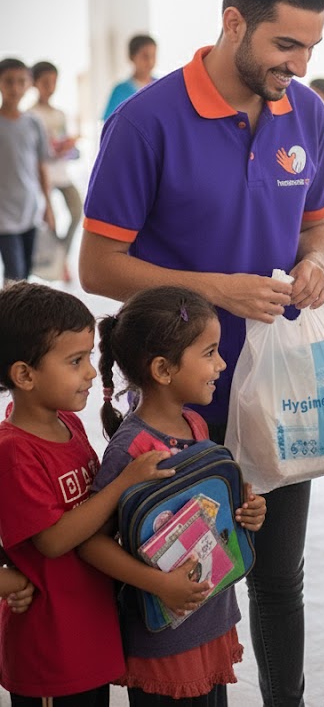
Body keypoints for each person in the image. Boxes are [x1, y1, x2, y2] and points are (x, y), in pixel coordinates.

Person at [78, 0, 324, 705]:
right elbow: (98, 266)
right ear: (233, 22)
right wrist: (215, 289)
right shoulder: (145, 122)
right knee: (184, 584)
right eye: (285, 44)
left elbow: (316, 229)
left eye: (311, 47)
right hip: (177, 402)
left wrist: (315, 263)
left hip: (279, 393)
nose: (299, 64)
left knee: (278, 578)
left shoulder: (306, 113)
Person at [79, 286, 266, 705]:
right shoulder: (131, 449)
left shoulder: (195, 425)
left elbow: (211, 512)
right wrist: (159, 584)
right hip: (164, 641)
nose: (222, 364)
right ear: (163, 369)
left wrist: (248, 512)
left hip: (210, 621)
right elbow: (90, 543)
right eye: (210, 352)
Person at [0, 281, 172, 705]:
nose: (92, 372)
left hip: (89, 631)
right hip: (51, 646)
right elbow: (53, 539)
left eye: (90, 357)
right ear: (25, 375)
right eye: (76, 361)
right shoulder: (15, 450)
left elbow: (93, 518)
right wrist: (125, 482)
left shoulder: (69, 424)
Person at [0, 58, 54, 284]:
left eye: (21, 82)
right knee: (14, 273)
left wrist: (48, 206)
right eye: (8, 81)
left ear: (29, 84)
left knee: (26, 273)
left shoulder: (34, 123)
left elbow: (41, 167)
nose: (15, 88)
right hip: (4, 216)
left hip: (30, 211)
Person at [30, 60, 81, 279]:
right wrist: (54, 150)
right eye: (45, 82)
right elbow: (34, 153)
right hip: (41, 177)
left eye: (53, 81)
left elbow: (69, 150)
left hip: (62, 174)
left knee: (77, 210)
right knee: (49, 220)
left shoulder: (60, 114)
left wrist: (69, 147)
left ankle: (62, 258)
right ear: (35, 83)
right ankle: (55, 263)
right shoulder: (30, 115)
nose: (50, 86)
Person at [101, 34, 158, 121]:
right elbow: (110, 122)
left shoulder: (160, 86)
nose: (150, 62)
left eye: (153, 56)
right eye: (145, 56)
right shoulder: (120, 91)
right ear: (132, 57)